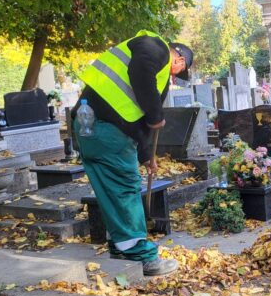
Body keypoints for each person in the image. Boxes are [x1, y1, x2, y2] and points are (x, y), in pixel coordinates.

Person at [73, 30, 194, 276]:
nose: (177, 75)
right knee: (126, 188)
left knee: (110, 191)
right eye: (181, 71)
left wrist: (146, 155)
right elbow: (140, 71)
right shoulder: (155, 47)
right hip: (107, 131)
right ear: (179, 60)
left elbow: (133, 114)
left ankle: (120, 247)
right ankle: (141, 255)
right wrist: (156, 115)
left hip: (88, 125)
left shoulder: (143, 54)